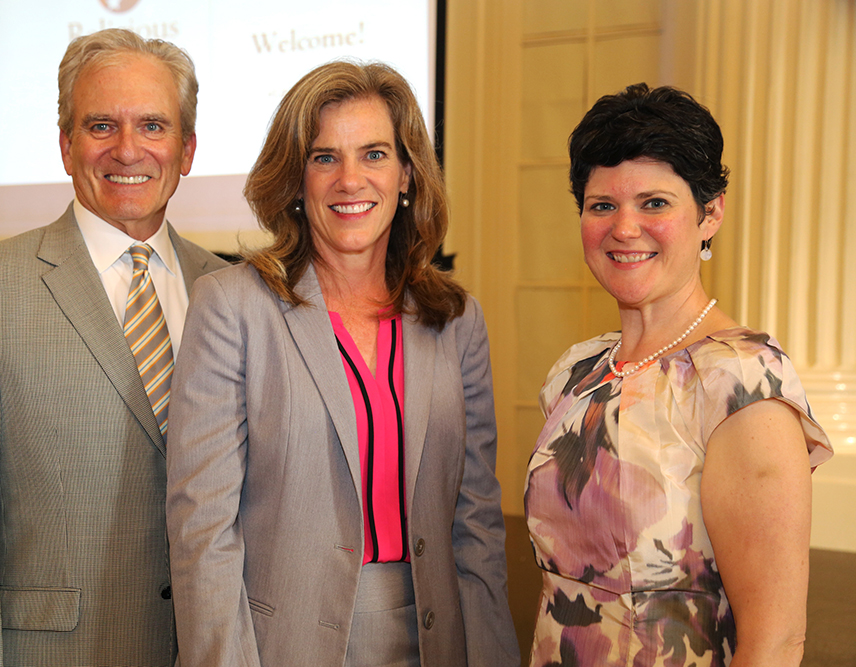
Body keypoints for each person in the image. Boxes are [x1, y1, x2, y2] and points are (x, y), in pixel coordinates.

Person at [166, 60, 520, 666]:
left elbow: (478, 525)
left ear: (407, 173)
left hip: (437, 640)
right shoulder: (232, 307)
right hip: (281, 648)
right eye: (325, 157)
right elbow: (204, 532)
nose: (350, 180)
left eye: (375, 155)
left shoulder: (456, 320)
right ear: (296, 180)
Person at [0, 28, 226, 666]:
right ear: (65, 146)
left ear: (187, 150)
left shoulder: (231, 292)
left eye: (154, 126)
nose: (128, 149)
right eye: (101, 125)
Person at [523, 83, 834, 667]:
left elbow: (775, 640)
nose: (624, 227)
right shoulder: (577, 372)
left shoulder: (741, 387)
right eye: (601, 205)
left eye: (655, 203)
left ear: (710, 212)